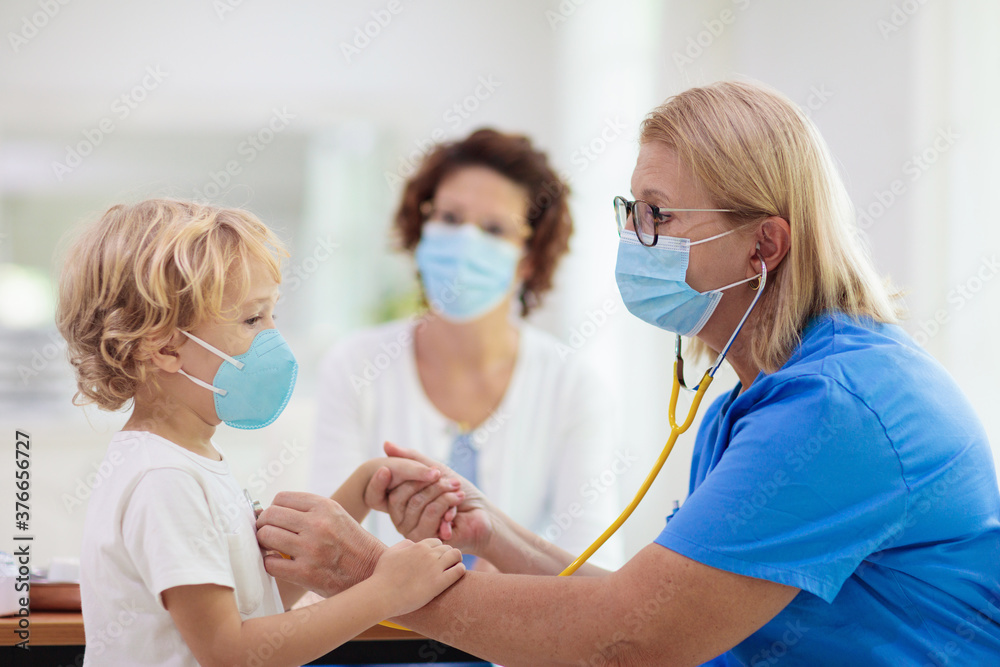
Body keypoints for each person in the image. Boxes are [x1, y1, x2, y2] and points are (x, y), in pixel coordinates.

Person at [257, 82, 1000, 665]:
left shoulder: (835, 410)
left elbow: (631, 643)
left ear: (761, 246)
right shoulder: (754, 398)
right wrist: (497, 532)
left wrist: (367, 575)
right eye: (632, 210)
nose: (634, 238)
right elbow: (656, 611)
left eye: (660, 215)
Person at [57, 199, 465, 666]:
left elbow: (258, 604)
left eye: (272, 315)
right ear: (166, 346)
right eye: (252, 319)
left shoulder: (189, 461)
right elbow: (228, 651)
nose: (274, 337)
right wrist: (386, 593)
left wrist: (362, 490)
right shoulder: (163, 480)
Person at [309, 128, 624, 570]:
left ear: (529, 258)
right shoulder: (355, 365)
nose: (465, 242)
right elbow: (329, 548)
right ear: (421, 229)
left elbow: (592, 568)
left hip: (524, 634)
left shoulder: (573, 385)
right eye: (450, 219)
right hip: (375, 634)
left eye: (494, 228)